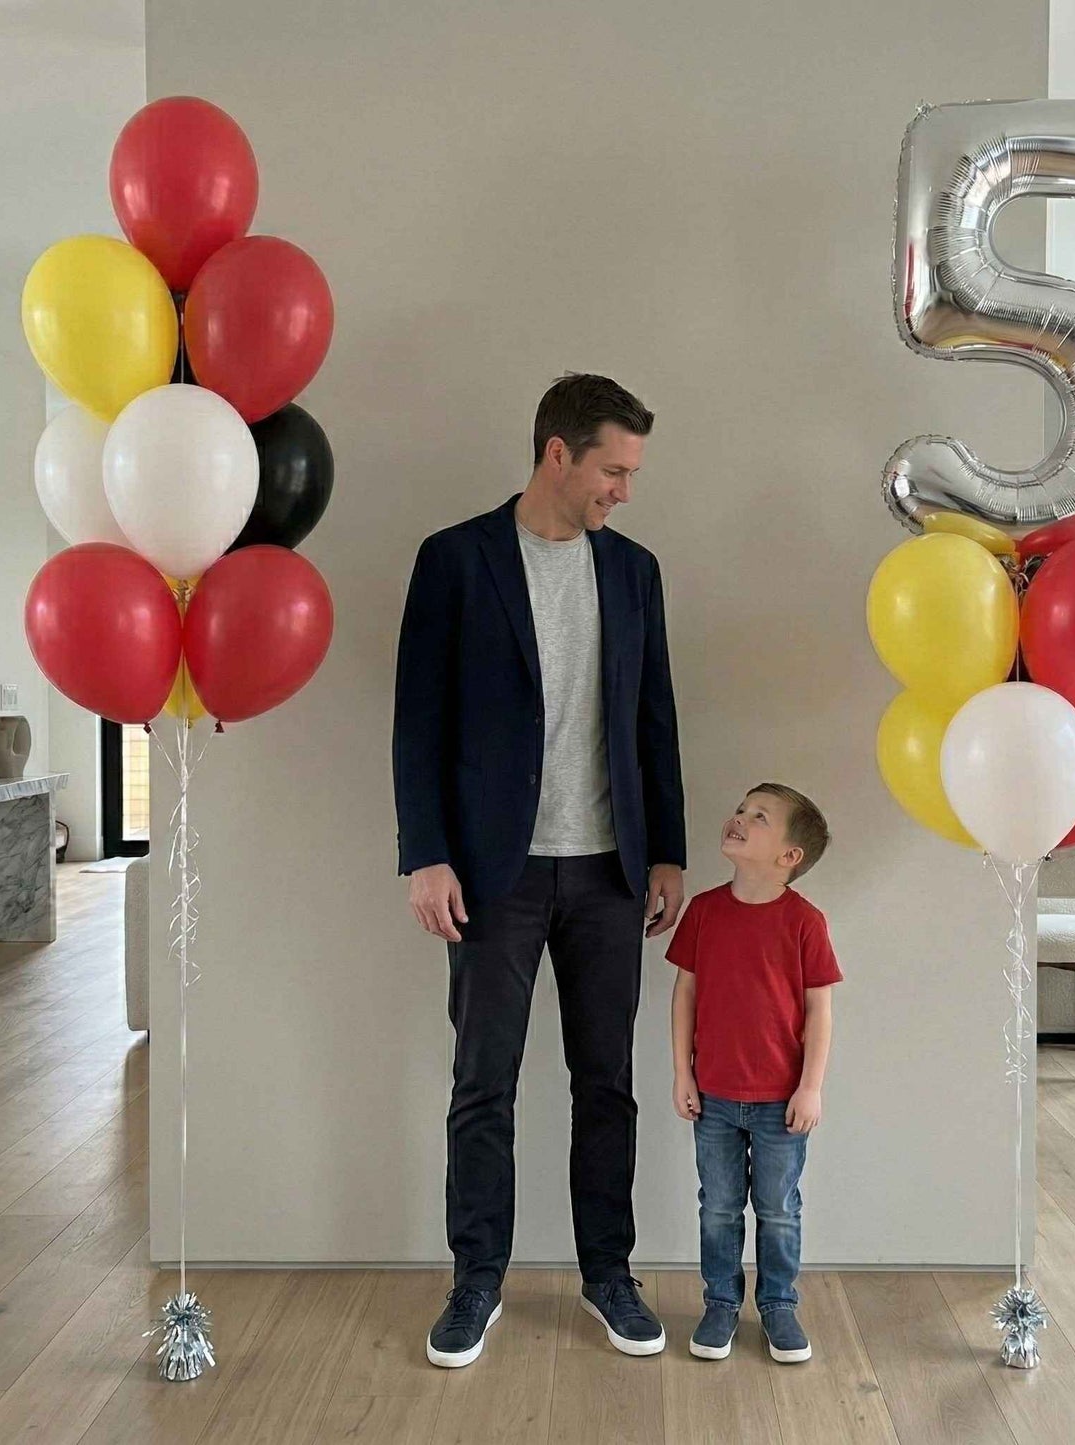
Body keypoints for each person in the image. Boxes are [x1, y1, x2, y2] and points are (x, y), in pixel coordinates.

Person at [393, 373, 686, 1368]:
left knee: (605, 1082)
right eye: (613, 467)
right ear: (556, 452)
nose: (623, 488)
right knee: (484, 1083)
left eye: (631, 471)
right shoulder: (454, 560)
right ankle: (476, 1280)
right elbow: (416, 720)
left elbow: (654, 716)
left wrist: (669, 851)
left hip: (609, 871)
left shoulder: (634, 571)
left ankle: (609, 1272)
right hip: (490, 872)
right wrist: (424, 852)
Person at [666, 783, 840, 1363]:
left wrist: (811, 1086)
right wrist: (681, 1074)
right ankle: (720, 1303)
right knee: (717, 1206)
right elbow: (684, 994)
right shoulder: (705, 912)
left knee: (778, 1208)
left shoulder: (805, 923)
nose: (738, 818)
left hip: (781, 1102)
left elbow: (819, 1012)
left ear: (789, 856)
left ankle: (778, 1304)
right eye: (741, 809)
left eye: (759, 817)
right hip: (713, 1095)